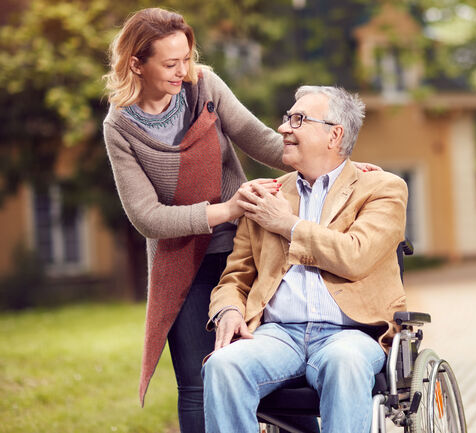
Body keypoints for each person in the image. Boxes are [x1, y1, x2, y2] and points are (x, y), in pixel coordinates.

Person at [102, 7, 376, 433]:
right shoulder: (120, 127)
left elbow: (261, 140)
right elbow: (147, 217)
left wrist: (342, 169)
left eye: (187, 59)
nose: (183, 71)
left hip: (246, 242)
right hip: (182, 260)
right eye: (170, 64)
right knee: (196, 381)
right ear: (137, 64)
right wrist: (229, 209)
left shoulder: (203, 86)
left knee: (273, 358)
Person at [202, 85, 409, 433]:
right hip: (277, 334)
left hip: (350, 334)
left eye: (298, 119)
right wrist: (229, 310)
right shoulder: (265, 194)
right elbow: (235, 278)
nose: (284, 128)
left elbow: (355, 255)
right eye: (287, 119)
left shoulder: (383, 189)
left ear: (334, 135)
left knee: (344, 362)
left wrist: (287, 225)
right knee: (223, 365)